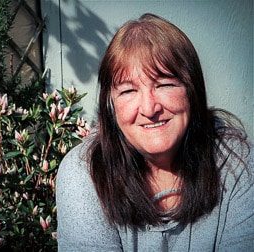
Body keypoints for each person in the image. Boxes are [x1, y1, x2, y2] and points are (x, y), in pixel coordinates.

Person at [56, 13, 254, 251]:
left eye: (165, 85)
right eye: (128, 91)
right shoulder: (83, 173)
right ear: (111, 104)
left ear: (192, 91)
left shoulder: (238, 163)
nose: (150, 109)